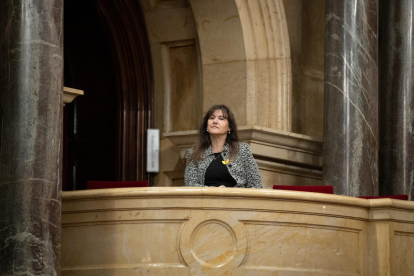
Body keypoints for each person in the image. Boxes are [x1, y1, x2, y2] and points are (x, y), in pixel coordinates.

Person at [184, 104, 262, 188]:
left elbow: (256, 185)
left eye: (221, 118)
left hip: (236, 199)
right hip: (205, 200)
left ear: (229, 127)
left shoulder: (242, 150)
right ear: (206, 126)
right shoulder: (194, 153)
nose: (215, 121)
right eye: (212, 118)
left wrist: (229, 192)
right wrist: (215, 191)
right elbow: (190, 185)